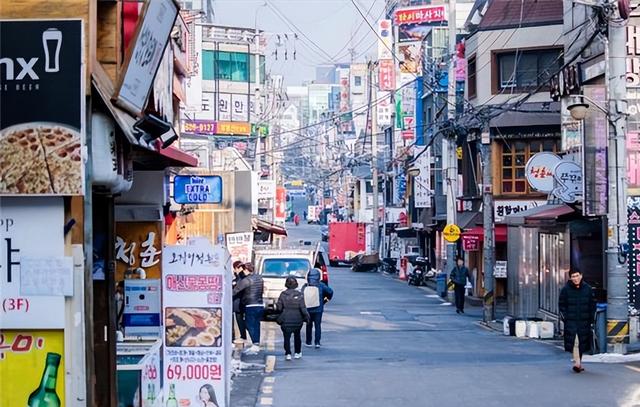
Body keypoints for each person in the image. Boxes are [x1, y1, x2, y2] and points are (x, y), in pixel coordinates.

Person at [559, 270, 596, 373]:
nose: (575, 278)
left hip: (584, 320)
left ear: (581, 276)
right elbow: (561, 305)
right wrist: (565, 318)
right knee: (575, 341)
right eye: (573, 276)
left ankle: (579, 361)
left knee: (582, 342)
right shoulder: (565, 290)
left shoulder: (587, 289)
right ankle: (577, 363)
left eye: (577, 276)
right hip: (571, 320)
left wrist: (592, 318)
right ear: (570, 278)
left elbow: (592, 305)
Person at [232, 263, 264, 354]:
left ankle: (255, 344)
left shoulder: (247, 280)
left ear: (246, 270)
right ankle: (256, 343)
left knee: (249, 324)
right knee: (256, 325)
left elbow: (236, 290)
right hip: (260, 304)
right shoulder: (259, 278)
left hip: (250, 305)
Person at [276, 276, 310, 361]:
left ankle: (288, 353)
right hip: (297, 320)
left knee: (286, 338)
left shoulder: (283, 294)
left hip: (286, 319)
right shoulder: (299, 295)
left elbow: (279, 308)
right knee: (297, 336)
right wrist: (307, 317)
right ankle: (297, 352)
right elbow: (303, 308)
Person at [302, 268, 334, 348]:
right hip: (318, 309)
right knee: (317, 326)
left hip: (308, 308)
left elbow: (301, 295)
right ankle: (317, 342)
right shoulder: (321, 285)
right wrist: (325, 300)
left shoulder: (305, 286)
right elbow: (330, 292)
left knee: (308, 325)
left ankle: (308, 342)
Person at [231, 261, 247, 343]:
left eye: (241, 267)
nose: (240, 269)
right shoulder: (238, 278)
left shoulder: (241, 278)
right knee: (238, 319)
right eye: (239, 268)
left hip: (240, 302)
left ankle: (243, 336)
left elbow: (236, 289)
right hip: (237, 302)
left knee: (240, 320)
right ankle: (241, 336)